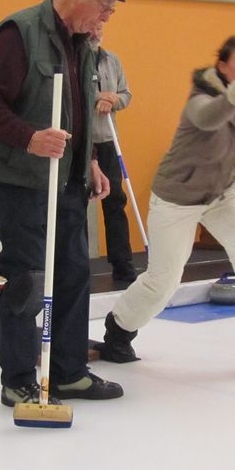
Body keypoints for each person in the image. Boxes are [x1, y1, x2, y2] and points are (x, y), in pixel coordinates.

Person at [0, 0, 128, 406]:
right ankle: (18, 379)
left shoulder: (83, 44)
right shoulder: (19, 33)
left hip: (66, 177)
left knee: (74, 273)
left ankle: (69, 373)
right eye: (104, 7)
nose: (106, 17)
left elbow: (78, 110)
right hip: (15, 177)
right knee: (30, 278)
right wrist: (30, 138)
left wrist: (90, 159)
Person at [95, 36, 235, 378]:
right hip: (177, 197)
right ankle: (119, 329)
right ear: (221, 66)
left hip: (222, 193)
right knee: (163, 279)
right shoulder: (200, 98)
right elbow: (209, 118)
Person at [89, 23, 138, 282]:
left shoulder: (112, 60)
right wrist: (98, 97)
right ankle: (75, 266)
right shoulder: (74, 60)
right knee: (76, 203)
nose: (96, 32)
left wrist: (113, 99)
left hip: (108, 139)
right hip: (82, 141)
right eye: (92, 28)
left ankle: (122, 262)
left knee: (115, 200)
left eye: (100, 28)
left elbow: (126, 94)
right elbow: (68, 95)